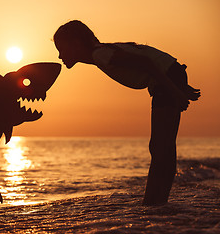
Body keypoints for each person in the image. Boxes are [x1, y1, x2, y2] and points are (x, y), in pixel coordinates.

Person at [53, 20, 200, 206]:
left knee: (160, 147)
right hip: (169, 75)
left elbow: (146, 63)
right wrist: (178, 84)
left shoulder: (100, 54)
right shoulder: (104, 51)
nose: (59, 56)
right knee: (163, 147)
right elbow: (153, 61)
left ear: (76, 44)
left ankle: (153, 204)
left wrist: (175, 91)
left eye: (62, 49)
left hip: (166, 79)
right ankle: (158, 202)